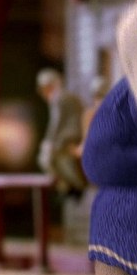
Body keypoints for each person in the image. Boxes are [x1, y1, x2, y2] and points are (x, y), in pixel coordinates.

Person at [36, 68, 86, 196]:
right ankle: (68, 185)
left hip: (71, 135)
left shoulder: (59, 98)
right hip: (72, 133)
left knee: (46, 157)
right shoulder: (63, 97)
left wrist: (49, 141)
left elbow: (56, 124)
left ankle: (69, 186)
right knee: (49, 156)